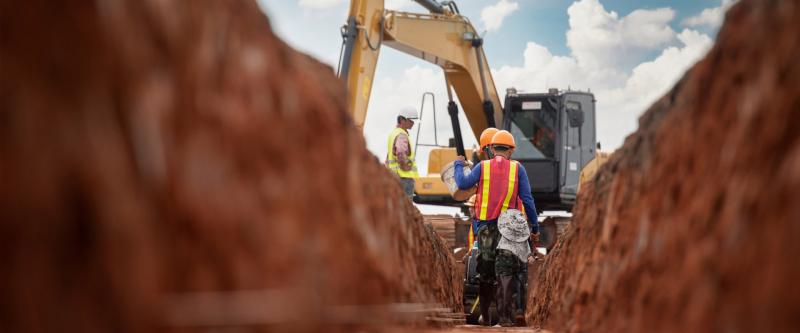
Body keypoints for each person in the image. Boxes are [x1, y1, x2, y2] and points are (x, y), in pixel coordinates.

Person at [454, 130, 539, 326]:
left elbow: (462, 183)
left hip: (486, 229)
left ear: (492, 149)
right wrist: (534, 227)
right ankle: (505, 319)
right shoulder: (518, 169)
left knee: (485, 273)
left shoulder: (482, 167)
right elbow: (527, 200)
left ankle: (485, 316)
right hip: (509, 229)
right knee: (506, 272)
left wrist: (458, 165)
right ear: (511, 150)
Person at [385, 106, 419, 197]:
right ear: (402, 120)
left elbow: (389, 156)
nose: (413, 123)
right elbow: (400, 153)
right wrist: (405, 167)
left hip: (394, 177)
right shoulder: (402, 135)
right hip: (404, 178)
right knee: (406, 204)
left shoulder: (393, 133)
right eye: (410, 120)